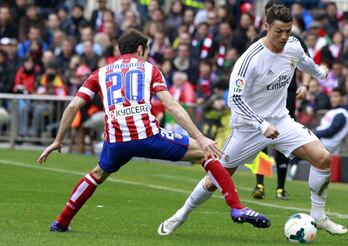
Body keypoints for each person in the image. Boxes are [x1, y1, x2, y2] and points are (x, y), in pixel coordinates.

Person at [37, 29, 270, 232]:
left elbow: (72, 106)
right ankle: (237, 207)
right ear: (140, 49)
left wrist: (58, 140)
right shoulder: (149, 69)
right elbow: (171, 105)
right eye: (147, 51)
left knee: (97, 174)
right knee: (204, 152)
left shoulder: (100, 73)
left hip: (116, 142)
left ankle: (61, 222)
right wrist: (200, 137)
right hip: (148, 136)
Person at [159, 5, 348, 236]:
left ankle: (319, 215)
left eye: (288, 31)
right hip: (247, 128)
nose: (283, 36)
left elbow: (303, 61)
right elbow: (235, 99)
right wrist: (261, 124)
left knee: (322, 158)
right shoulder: (249, 60)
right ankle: (181, 214)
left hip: (280, 121)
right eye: (278, 31)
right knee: (214, 179)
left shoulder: (293, 46)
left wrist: (320, 72)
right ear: (266, 27)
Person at [252, 0, 310, 200]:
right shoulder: (257, 41)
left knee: (282, 138)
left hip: (288, 93)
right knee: (261, 139)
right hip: (263, 98)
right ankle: (259, 184)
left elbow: (307, 63)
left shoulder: (294, 40)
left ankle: (280, 186)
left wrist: (305, 85)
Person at [314, 87, 348, 154]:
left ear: (343, 98)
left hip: (326, 148)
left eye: (336, 96)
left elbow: (330, 132)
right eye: (331, 96)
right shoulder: (334, 111)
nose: (333, 99)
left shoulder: (342, 114)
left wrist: (312, 133)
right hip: (320, 144)